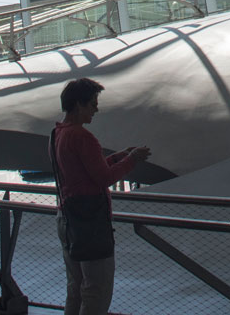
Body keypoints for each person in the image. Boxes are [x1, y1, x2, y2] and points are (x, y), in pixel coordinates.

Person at [50, 78, 150, 315]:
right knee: (96, 290)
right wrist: (132, 160)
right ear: (78, 105)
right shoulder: (83, 137)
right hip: (90, 225)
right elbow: (103, 179)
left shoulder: (58, 133)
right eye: (92, 103)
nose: (96, 108)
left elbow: (86, 172)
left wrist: (117, 158)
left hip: (67, 219)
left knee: (76, 288)